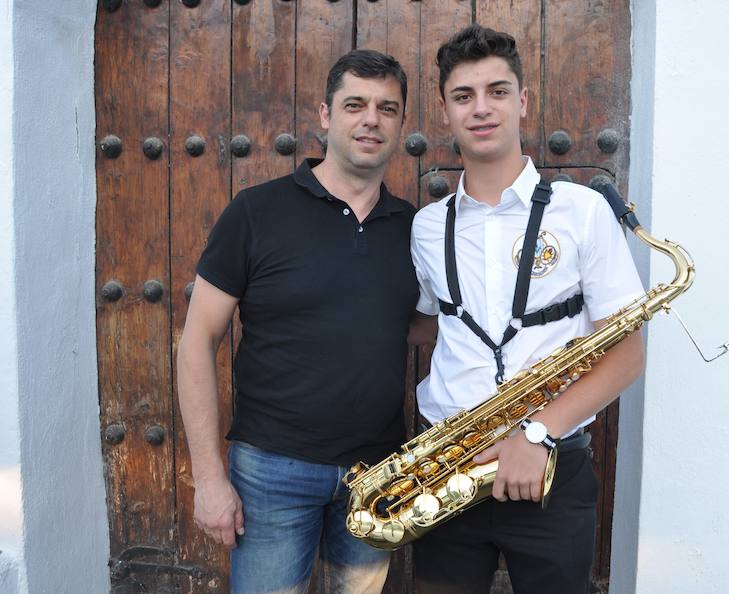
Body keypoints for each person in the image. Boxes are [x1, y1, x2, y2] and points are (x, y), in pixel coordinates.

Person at [410, 24, 646, 594]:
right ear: (445, 111)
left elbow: (627, 352)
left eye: (497, 91)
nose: (481, 108)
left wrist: (537, 433)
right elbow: (432, 324)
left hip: (549, 464)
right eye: (463, 96)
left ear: (523, 101)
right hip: (446, 467)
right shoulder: (426, 226)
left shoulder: (582, 211)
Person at [177, 49, 418, 594]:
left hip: (376, 475)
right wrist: (210, 480)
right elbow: (198, 341)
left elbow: (417, 325)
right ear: (325, 115)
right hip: (271, 473)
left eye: (387, 108)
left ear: (401, 123)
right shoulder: (256, 213)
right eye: (355, 104)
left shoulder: (413, 227)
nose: (370, 119)